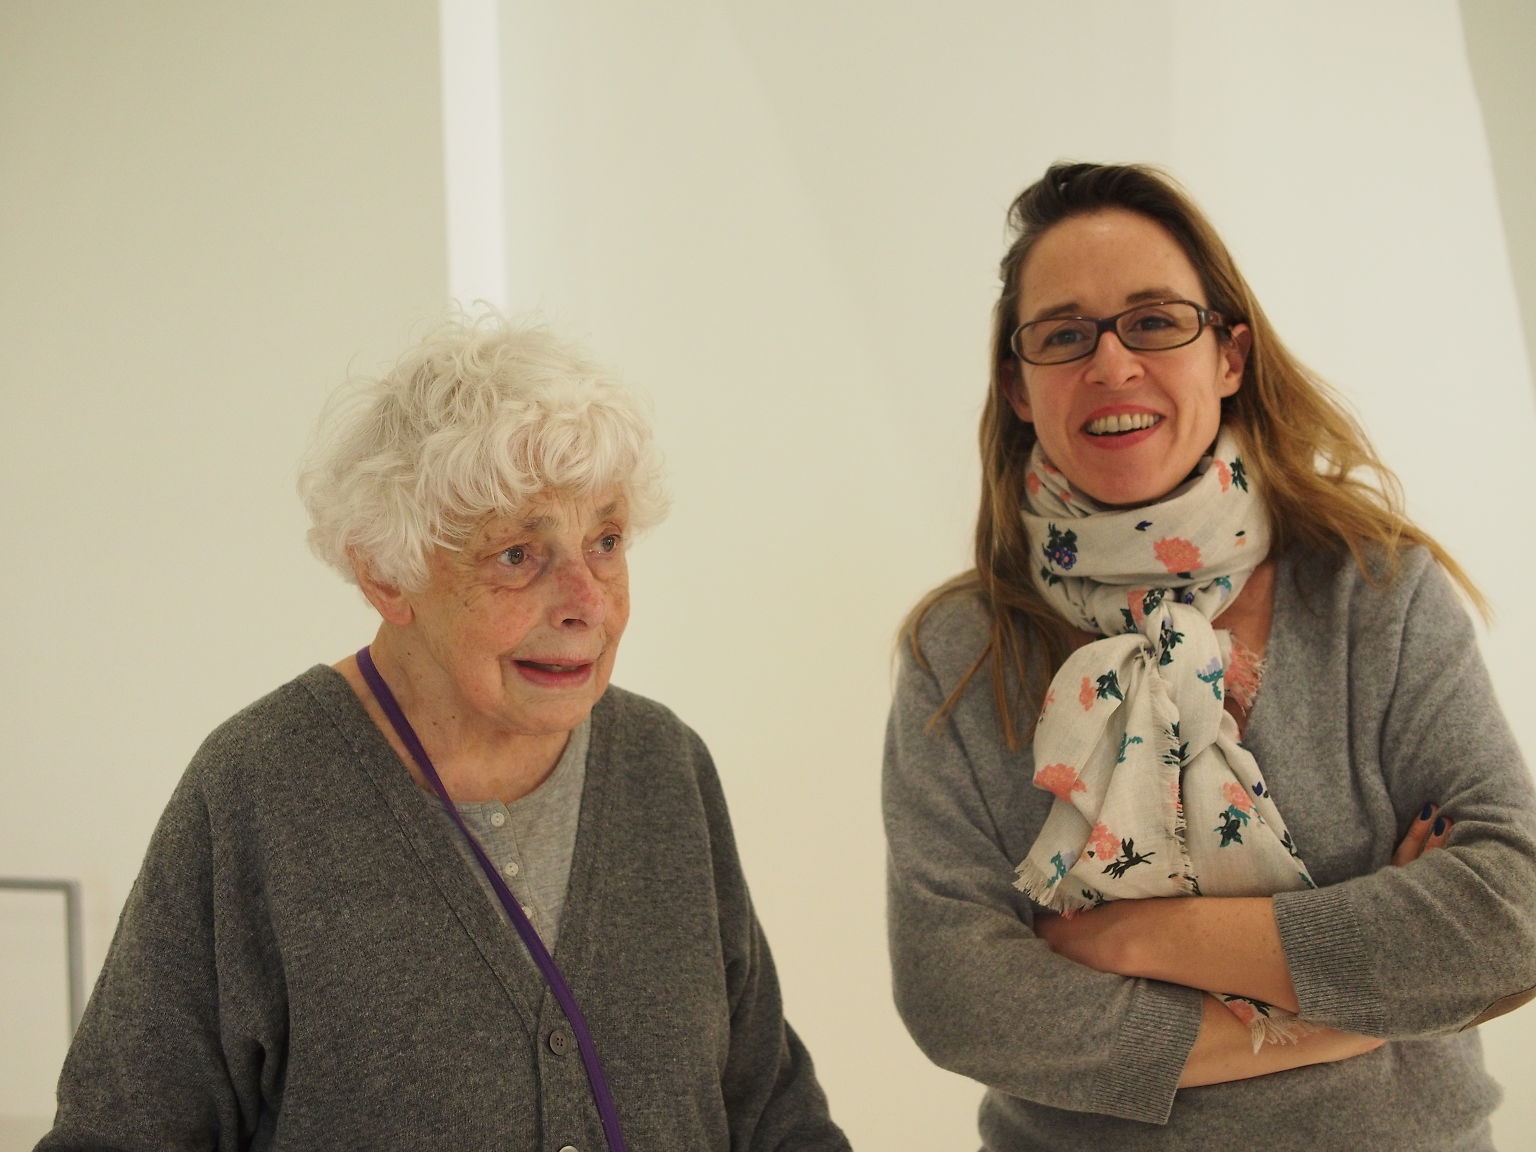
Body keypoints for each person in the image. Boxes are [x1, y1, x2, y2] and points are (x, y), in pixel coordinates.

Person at [39, 314, 851, 1151]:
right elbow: (121, 1133)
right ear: (386, 575)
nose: (588, 602)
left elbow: (772, 1114)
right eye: (517, 555)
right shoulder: (261, 787)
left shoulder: (663, 764)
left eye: (605, 542)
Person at [883, 162, 1536, 1150]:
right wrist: (1354, 1014)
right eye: (1064, 335)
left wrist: (1136, 938)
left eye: (1154, 322)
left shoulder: (1373, 591)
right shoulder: (961, 650)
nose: (1112, 365)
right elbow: (960, 994)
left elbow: (1510, 908)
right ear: (1018, 386)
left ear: (1229, 354)